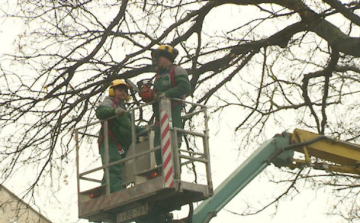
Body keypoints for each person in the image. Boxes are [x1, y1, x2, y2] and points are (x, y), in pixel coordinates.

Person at [144, 45, 191, 165]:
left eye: (157, 57)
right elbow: (157, 94)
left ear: (166, 57)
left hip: (173, 115)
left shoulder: (177, 70)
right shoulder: (158, 76)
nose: (156, 61)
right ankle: (161, 173)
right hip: (159, 117)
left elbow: (185, 87)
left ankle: (175, 174)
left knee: (172, 147)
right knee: (159, 149)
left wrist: (166, 94)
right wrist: (149, 94)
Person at [96, 79, 141, 193]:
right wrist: (114, 112)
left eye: (125, 92)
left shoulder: (124, 109)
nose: (123, 93)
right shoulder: (109, 102)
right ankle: (115, 193)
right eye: (120, 90)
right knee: (113, 167)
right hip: (111, 143)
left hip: (121, 146)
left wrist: (145, 130)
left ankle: (105, 192)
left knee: (116, 168)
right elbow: (100, 111)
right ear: (112, 91)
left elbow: (131, 127)